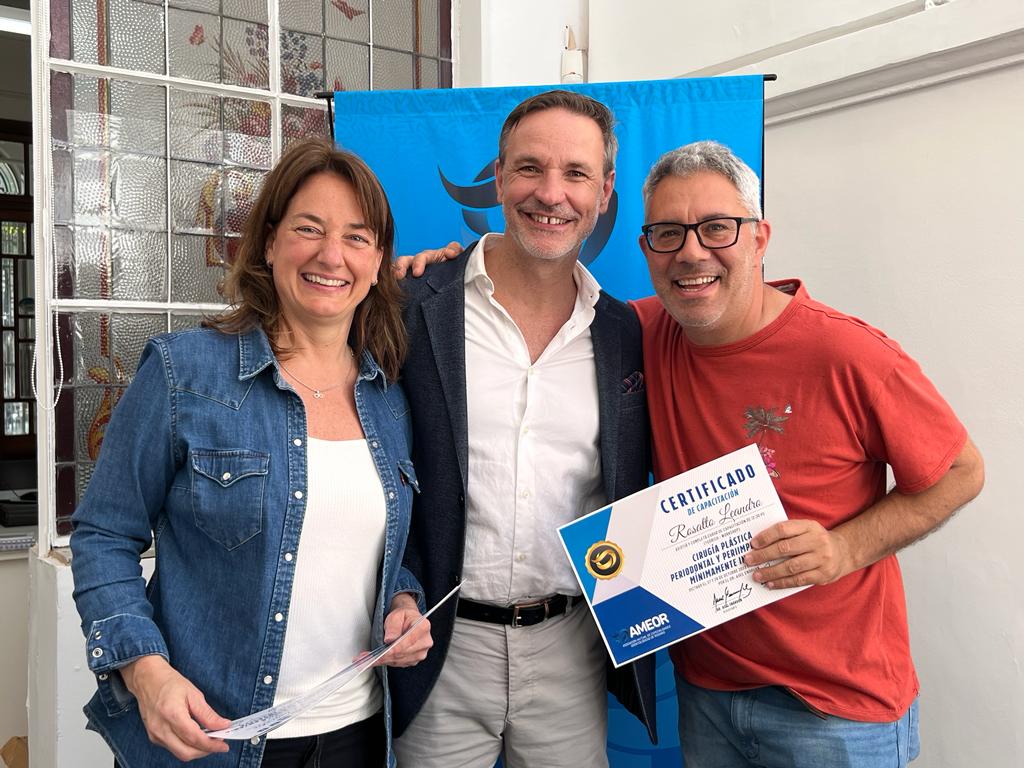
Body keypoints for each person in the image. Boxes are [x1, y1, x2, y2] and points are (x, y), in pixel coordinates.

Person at [69, 137, 431, 768]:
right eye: (309, 229)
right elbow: (103, 534)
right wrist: (145, 671)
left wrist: (403, 604)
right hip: (212, 740)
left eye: (356, 237)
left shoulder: (389, 399)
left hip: (358, 734)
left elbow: (370, 554)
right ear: (268, 243)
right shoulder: (184, 372)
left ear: (377, 263)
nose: (331, 255)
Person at [631, 140, 985, 768]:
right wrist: (449, 269)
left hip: (833, 708)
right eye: (668, 233)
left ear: (759, 239)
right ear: (647, 249)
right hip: (707, 690)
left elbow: (961, 471)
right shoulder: (639, 332)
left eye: (717, 227)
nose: (691, 252)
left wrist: (844, 548)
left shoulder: (849, 354)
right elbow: (541, 305)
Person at [389, 90, 657, 767]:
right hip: (440, 645)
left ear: (604, 191)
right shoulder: (411, 304)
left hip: (572, 645)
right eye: (531, 168)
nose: (551, 193)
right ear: (500, 176)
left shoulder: (624, 332)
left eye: (576, 173)